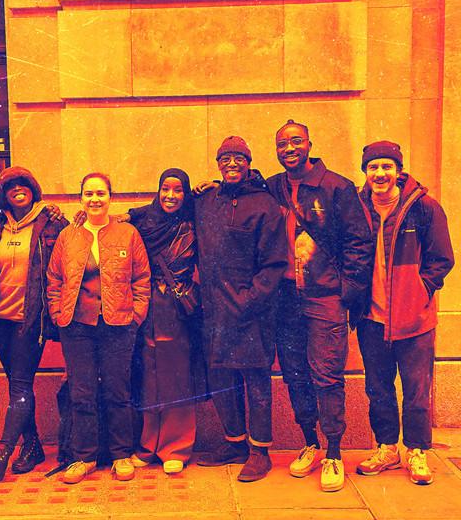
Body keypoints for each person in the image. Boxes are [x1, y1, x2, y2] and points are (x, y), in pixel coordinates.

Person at [267, 120, 374, 492]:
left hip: (325, 297)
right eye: (282, 144)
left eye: (296, 141)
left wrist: (347, 291)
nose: (289, 149)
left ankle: (333, 452)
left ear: (310, 144)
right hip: (286, 298)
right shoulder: (273, 187)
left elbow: (359, 243)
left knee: (327, 376)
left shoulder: (336, 187)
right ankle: (309, 442)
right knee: (295, 374)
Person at [355, 141, 454, 485]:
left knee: (416, 391)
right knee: (378, 388)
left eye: (387, 166)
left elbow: (442, 259)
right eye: (373, 167)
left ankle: (416, 450)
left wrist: (421, 290)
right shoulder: (358, 208)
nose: (380, 173)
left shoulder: (423, 207)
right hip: (371, 319)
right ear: (365, 172)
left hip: (415, 320)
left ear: (398, 170)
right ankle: (387, 448)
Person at [47, 172, 151, 484]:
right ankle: (84, 457)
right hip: (77, 326)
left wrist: (136, 315)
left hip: (118, 325)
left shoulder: (128, 233)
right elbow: (54, 278)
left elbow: (142, 278)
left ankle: (121, 454)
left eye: (100, 193)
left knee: (118, 391)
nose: (95, 199)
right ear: (81, 198)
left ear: (110, 197)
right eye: (89, 194)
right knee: (82, 392)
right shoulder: (68, 236)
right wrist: (57, 312)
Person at [195, 136, 287, 483]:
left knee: (255, 381)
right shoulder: (206, 200)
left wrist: (249, 300)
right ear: (218, 164)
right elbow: (164, 209)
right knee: (221, 379)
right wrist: (128, 214)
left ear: (248, 163)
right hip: (213, 312)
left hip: (251, 313)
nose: (232, 164)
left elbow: (274, 263)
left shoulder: (264, 204)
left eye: (238, 159)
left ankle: (260, 451)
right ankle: (234, 443)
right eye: (225, 159)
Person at [0, 166, 68, 482]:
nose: (18, 190)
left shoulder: (50, 222)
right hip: (0, 319)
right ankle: (32, 445)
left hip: (30, 320)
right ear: (4, 195)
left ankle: (1, 454)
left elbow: (71, 249)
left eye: (24, 184)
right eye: (11, 186)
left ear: (33, 189)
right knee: (17, 385)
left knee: (21, 383)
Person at [127, 168, 199, 475]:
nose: (170, 196)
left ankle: (176, 447)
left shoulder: (193, 221)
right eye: (165, 189)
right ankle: (149, 444)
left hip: (177, 308)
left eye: (178, 190)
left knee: (176, 376)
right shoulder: (144, 221)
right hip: (147, 307)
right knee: (149, 375)